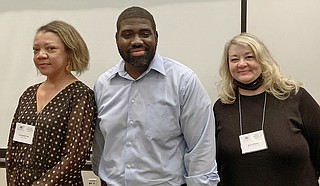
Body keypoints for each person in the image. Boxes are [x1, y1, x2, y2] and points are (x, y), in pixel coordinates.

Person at [92, 6, 219, 186]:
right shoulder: (104, 85)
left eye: (145, 34)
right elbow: (100, 142)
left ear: (156, 37)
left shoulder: (183, 81)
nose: (137, 41)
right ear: (116, 39)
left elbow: (201, 147)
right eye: (127, 35)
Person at [213, 32, 320, 186]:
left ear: (263, 60)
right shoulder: (222, 107)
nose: (241, 64)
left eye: (249, 57)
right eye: (234, 59)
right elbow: (214, 164)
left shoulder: (294, 97)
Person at [5, 20, 97, 185]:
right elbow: (12, 148)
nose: (40, 55)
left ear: (70, 52)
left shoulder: (81, 96)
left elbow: (74, 157)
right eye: (36, 50)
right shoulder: (28, 94)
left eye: (50, 48)